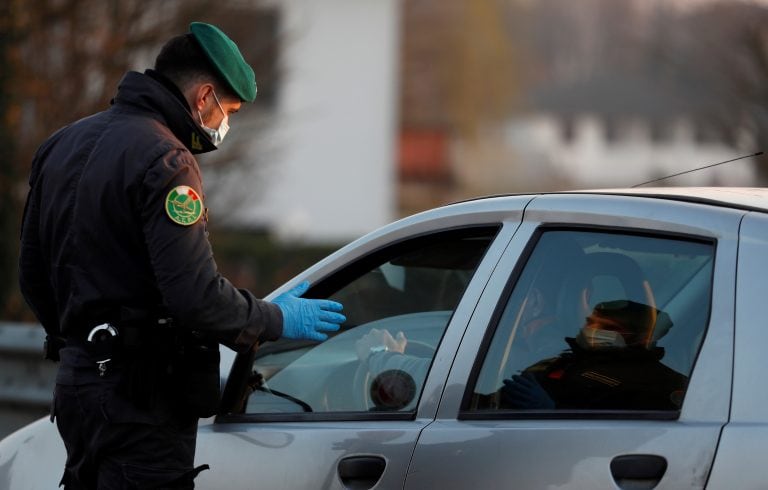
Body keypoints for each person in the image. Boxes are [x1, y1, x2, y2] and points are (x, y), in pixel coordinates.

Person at [18, 22, 346, 489]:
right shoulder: (167, 161)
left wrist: (87, 341)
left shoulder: (59, 145)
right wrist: (272, 319)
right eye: (227, 111)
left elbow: (32, 276)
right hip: (142, 402)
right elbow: (195, 296)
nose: (223, 125)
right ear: (204, 97)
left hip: (77, 388)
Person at [500, 300, 687, 411]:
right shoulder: (563, 361)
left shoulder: (657, 383)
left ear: (640, 339)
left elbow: (625, 436)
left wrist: (554, 412)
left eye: (607, 327)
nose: (592, 330)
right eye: (591, 322)